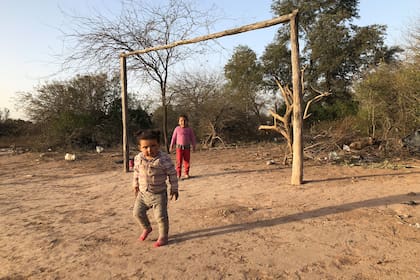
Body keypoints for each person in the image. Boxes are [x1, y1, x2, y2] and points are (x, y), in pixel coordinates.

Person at [132, 129, 179, 247]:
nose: (149, 150)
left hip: (159, 194)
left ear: (159, 145)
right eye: (145, 147)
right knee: (137, 213)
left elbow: (172, 173)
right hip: (143, 194)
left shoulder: (163, 159)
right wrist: (135, 184)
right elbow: (136, 171)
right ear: (140, 147)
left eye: (153, 146)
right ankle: (147, 228)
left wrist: (174, 188)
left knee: (161, 217)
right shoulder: (138, 158)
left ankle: (163, 236)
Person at [169, 114, 197, 179]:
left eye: (185, 120)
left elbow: (193, 138)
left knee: (187, 161)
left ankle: (186, 173)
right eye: (181, 121)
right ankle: (178, 174)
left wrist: (194, 146)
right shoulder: (177, 129)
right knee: (179, 161)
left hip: (187, 148)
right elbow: (173, 138)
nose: (183, 122)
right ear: (178, 122)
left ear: (187, 121)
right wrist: (171, 146)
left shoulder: (189, 129)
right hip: (179, 148)